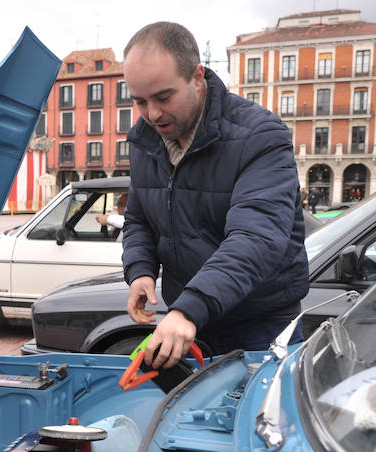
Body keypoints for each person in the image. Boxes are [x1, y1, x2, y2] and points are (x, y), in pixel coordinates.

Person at [121, 22, 309, 370]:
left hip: (260, 327)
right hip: (193, 323)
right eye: (140, 102)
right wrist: (141, 271)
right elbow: (139, 220)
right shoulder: (143, 140)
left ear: (197, 76)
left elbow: (256, 237)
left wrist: (189, 308)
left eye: (164, 97)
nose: (152, 114)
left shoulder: (261, 135)